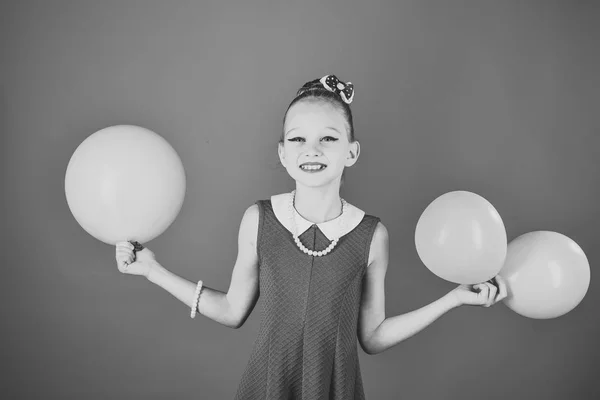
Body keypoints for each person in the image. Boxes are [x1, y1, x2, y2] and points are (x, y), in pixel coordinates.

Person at [115, 74, 508, 400]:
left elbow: (372, 336)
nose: (312, 150)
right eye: (299, 139)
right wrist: (153, 271)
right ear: (283, 153)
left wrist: (453, 298)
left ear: (351, 152)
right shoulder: (260, 219)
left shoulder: (372, 235)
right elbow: (233, 311)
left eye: (329, 138)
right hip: (267, 387)